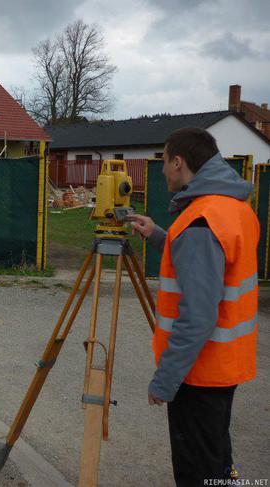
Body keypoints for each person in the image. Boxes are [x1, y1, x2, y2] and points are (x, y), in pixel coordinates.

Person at [129, 128, 259, 485]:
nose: (161, 171)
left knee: (198, 472)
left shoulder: (200, 221)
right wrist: (158, 235)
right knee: (216, 460)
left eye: (164, 162)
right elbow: (210, 264)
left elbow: (198, 315)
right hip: (223, 364)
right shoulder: (232, 208)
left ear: (178, 162)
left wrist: (165, 380)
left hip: (199, 373)